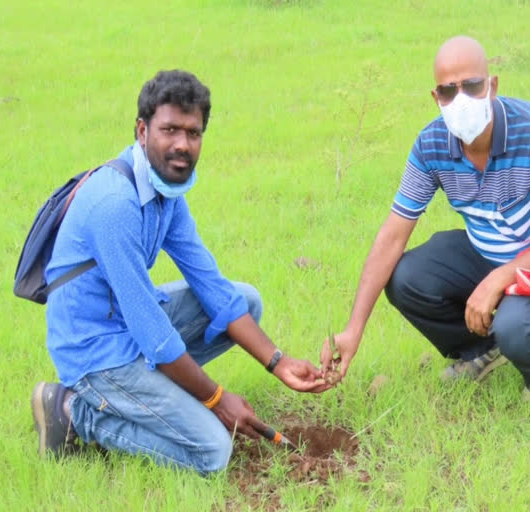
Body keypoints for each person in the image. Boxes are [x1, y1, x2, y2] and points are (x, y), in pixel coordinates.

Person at [31, 70, 328, 473]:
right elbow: (153, 334)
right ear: (142, 130)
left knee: (245, 301)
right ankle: (74, 411)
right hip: (96, 351)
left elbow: (212, 286)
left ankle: (152, 399)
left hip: (128, 328)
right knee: (211, 450)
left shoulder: (164, 192)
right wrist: (217, 399)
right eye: (169, 130)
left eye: (193, 133)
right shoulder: (114, 205)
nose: (182, 145)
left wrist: (278, 361)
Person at [321, 36, 530, 407]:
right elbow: (392, 236)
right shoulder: (431, 144)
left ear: (492, 86)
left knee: (516, 326)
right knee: (405, 278)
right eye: (449, 91)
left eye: (472, 86)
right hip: (486, 250)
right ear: (436, 98)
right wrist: (354, 329)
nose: (461, 99)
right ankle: (484, 350)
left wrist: (501, 278)